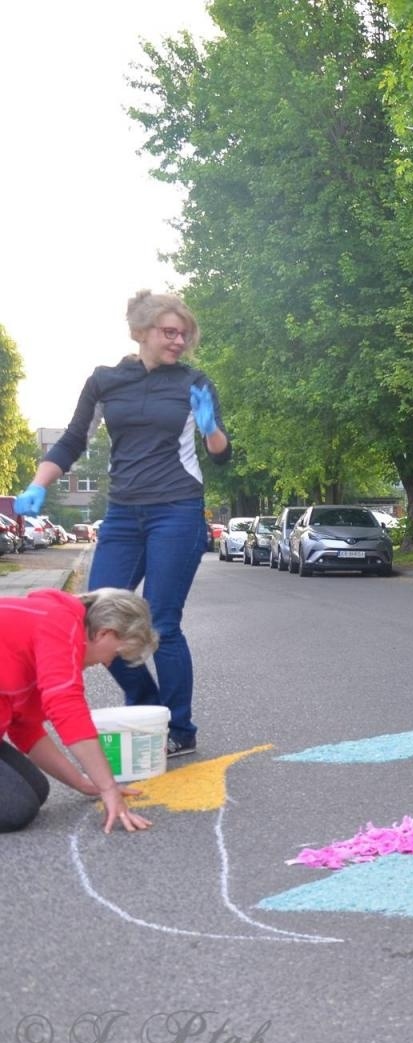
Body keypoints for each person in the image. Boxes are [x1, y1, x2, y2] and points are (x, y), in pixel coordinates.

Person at [13, 291, 230, 757]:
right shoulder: (106, 381)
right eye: (168, 332)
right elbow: (73, 440)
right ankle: (149, 703)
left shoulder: (193, 381)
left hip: (177, 508)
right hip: (124, 514)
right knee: (93, 617)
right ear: (141, 331)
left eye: (184, 333)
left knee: (164, 623)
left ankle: (180, 729)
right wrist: (38, 482)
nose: (178, 341)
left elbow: (222, 455)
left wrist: (210, 427)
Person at [1, 588, 160, 834]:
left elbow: (26, 729)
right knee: (17, 809)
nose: (107, 663)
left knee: (36, 790)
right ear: (105, 633)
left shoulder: (52, 632)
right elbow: (66, 705)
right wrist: (108, 788)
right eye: (116, 653)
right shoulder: (59, 622)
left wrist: (85, 784)